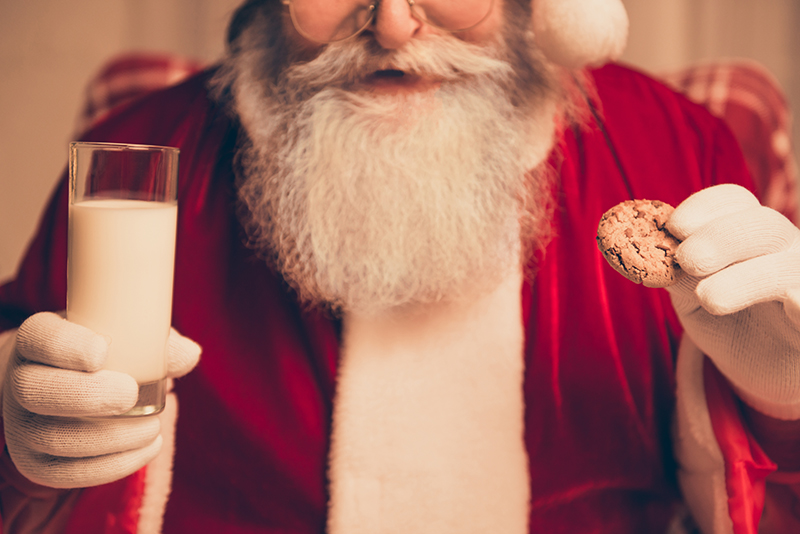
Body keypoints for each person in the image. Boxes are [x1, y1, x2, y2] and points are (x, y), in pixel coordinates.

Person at [1, 0, 799, 532]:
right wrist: (17, 429)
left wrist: (780, 402)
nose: (390, 25)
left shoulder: (678, 148)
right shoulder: (143, 154)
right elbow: (30, 401)